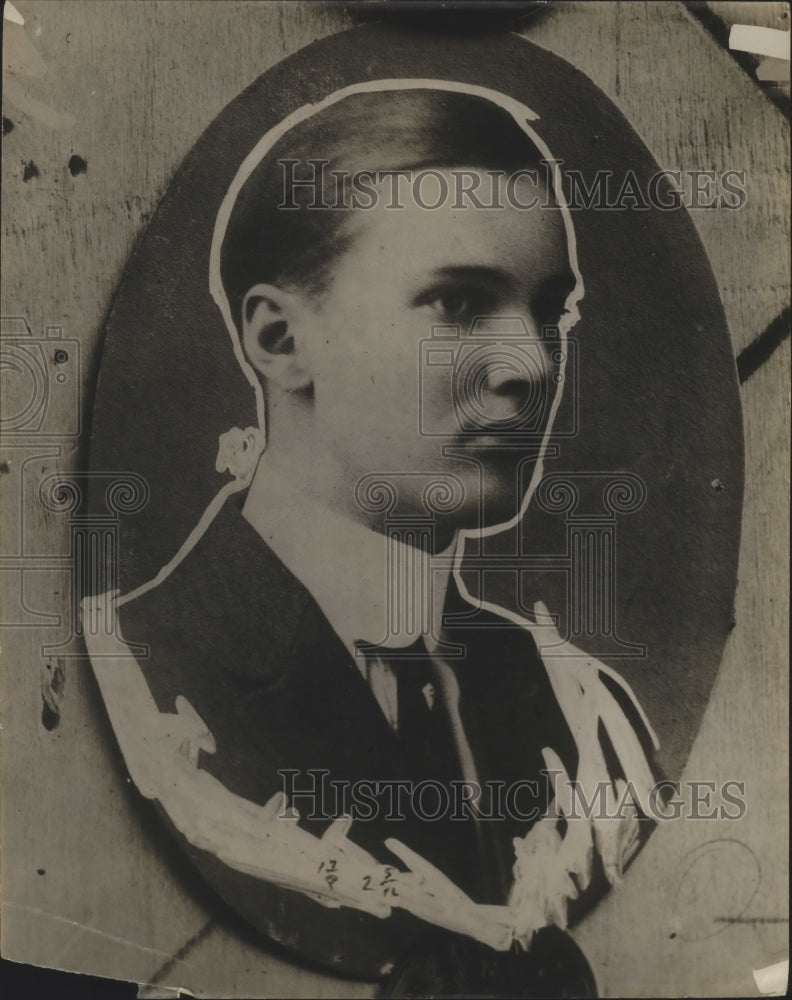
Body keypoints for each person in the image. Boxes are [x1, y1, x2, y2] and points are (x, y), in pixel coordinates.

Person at [83, 83, 661, 983]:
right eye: (460, 304)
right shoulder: (127, 681)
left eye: (551, 311)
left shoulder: (589, 722)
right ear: (279, 340)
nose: (533, 364)